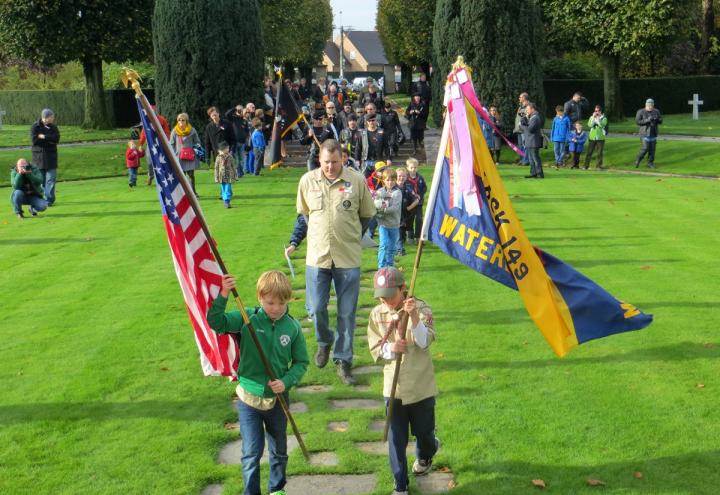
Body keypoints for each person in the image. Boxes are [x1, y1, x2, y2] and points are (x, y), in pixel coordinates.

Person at [206, 270, 308, 495]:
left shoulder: (292, 327)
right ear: (260, 298)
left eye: (281, 303)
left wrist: (286, 381)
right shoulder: (246, 318)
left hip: (278, 399)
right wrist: (224, 293)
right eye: (270, 302)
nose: (276, 308)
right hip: (248, 399)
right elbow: (216, 322)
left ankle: (277, 488)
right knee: (251, 453)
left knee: (279, 449)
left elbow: (301, 362)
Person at [296, 140, 376, 385]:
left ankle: (344, 360)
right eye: (325, 162)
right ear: (319, 160)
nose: (330, 167)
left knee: (347, 312)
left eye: (334, 162)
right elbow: (305, 214)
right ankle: (324, 340)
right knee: (316, 307)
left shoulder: (357, 181)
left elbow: (366, 217)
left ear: (343, 159)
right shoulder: (307, 181)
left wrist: (349, 237)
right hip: (318, 257)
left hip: (347, 257)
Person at [367, 267, 440, 495]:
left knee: (424, 433)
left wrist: (414, 317)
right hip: (394, 388)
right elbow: (375, 348)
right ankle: (400, 485)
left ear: (403, 288)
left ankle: (427, 452)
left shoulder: (421, 307)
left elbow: (424, 340)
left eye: (391, 295)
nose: (386, 300)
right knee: (396, 439)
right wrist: (390, 347)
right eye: (381, 296)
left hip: (421, 386)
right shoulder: (377, 314)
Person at [30, 108, 60, 206]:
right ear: (45, 117)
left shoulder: (53, 127)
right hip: (38, 159)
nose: (53, 118)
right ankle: (41, 199)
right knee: (41, 181)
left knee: (51, 180)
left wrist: (44, 137)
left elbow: (56, 138)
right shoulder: (35, 127)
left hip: (51, 158)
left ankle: (49, 200)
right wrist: (49, 141)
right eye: (51, 117)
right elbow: (35, 141)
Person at [374, 168, 402, 268]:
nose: (390, 182)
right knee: (384, 245)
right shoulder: (380, 191)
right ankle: (381, 267)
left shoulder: (397, 193)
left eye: (392, 180)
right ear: (383, 180)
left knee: (392, 247)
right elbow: (375, 202)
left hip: (394, 224)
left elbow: (394, 208)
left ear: (395, 180)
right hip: (383, 224)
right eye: (387, 180)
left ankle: (390, 266)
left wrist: (383, 209)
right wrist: (378, 204)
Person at [169, 113, 201, 195]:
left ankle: (193, 192)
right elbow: (171, 144)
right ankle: (183, 193)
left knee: (191, 175)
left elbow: (197, 142)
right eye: (179, 120)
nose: (181, 121)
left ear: (186, 121)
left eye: (183, 120)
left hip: (190, 156)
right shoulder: (175, 131)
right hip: (179, 157)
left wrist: (195, 150)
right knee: (181, 176)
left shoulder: (192, 130)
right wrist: (174, 154)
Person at [139, 105, 171, 186]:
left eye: (153, 110)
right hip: (150, 144)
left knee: (162, 160)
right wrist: (141, 144)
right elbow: (144, 133)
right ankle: (151, 175)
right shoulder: (146, 120)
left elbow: (167, 131)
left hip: (160, 144)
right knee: (150, 161)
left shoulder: (162, 119)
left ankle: (164, 178)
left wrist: (167, 141)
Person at [396, 167, 419, 257]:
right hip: (394, 216)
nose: (401, 178)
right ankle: (400, 250)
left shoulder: (408, 188)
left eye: (403, 176)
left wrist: (409, 207)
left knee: (401, 233)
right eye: (399, 176)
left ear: (406, 177)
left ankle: (399, 248)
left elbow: (417, 199)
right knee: (399, 234)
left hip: (405, 215)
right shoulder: (391, 188)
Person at [635, 98, 662, 169]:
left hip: (653, 132)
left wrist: (657, 119)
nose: (650, 107)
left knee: (652, 150)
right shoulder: (640, 111)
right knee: (645, 148)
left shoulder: (656, 111)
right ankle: (638, 159)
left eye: (652, 106)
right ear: (646, 105)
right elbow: (638, 122)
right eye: (649, 105)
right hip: (644, 133)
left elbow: (661, 120)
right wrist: (647, 120)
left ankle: (650, 163)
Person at [404, 158, 427, 242]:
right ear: (407, 168)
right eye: (411, 167)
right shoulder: (405, 178)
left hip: (419, 203)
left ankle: (418, 237)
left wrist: (420, 195)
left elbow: (424, 188)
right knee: (410, 219)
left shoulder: (420, 178)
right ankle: (410, 236)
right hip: (409, 203)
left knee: (419, 219)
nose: (413, 169)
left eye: (415, 167)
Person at [520, 102, 544, 179]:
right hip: (530, 141)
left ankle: (539, 174)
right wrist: (525, 121)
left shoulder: (535, 117)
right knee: (531, 159)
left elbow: (530, 129)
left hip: (533, 141)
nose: (526, 111)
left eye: (528, 109)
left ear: (532, 109)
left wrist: (522, 125)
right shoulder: (532, 117)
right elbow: (529, 127)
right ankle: (534, 173)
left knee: (535, 158)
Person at [225, 104, 250, 176]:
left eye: (241, 110)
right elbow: (227, 114)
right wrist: (235, 109)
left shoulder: (244, 121)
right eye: (239, 110)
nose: (240, 112)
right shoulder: (233, 118)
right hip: (235, 142)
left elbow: (247, 132)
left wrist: (247, 141)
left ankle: (240, 172)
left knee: (241, 159)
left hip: (242, 143)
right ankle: (236, 173)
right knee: (235, 159)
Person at [214, 142, 238, 208]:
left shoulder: (230, 156)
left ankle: (226, 201)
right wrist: (216, 177)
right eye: (227, 148)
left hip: (229, 176)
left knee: (228, 188)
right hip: (221, 176)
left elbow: (233, 166)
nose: (228, 149)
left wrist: (236, 175)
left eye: (228, 148)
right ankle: (226, 200)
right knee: (223, 188)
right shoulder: (218, 157)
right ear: (222, 149)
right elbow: (216, 168)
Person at [585, 105, 608, 170]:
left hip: (600, 138)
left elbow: (602, 125)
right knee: (589, 152)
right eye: (595, 111)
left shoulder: (604, 118)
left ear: (600, 111)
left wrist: (597, 119)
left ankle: (599, 166)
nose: (596, 112)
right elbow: (589, 125)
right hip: (592, 137)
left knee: (599, 153)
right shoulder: (591, 117)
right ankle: (586, 166)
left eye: (597, 111)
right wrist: (593, 118)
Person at [513, 93, 530, 165]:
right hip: (518, 129)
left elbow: (528, 118)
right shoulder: (520, 107)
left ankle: (526, 161)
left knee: (525, 145)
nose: (519, 98)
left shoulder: (528, 106)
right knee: (520, 146)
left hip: (524, 130)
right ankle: (522, 160)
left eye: (520, 97)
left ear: (524, 98)